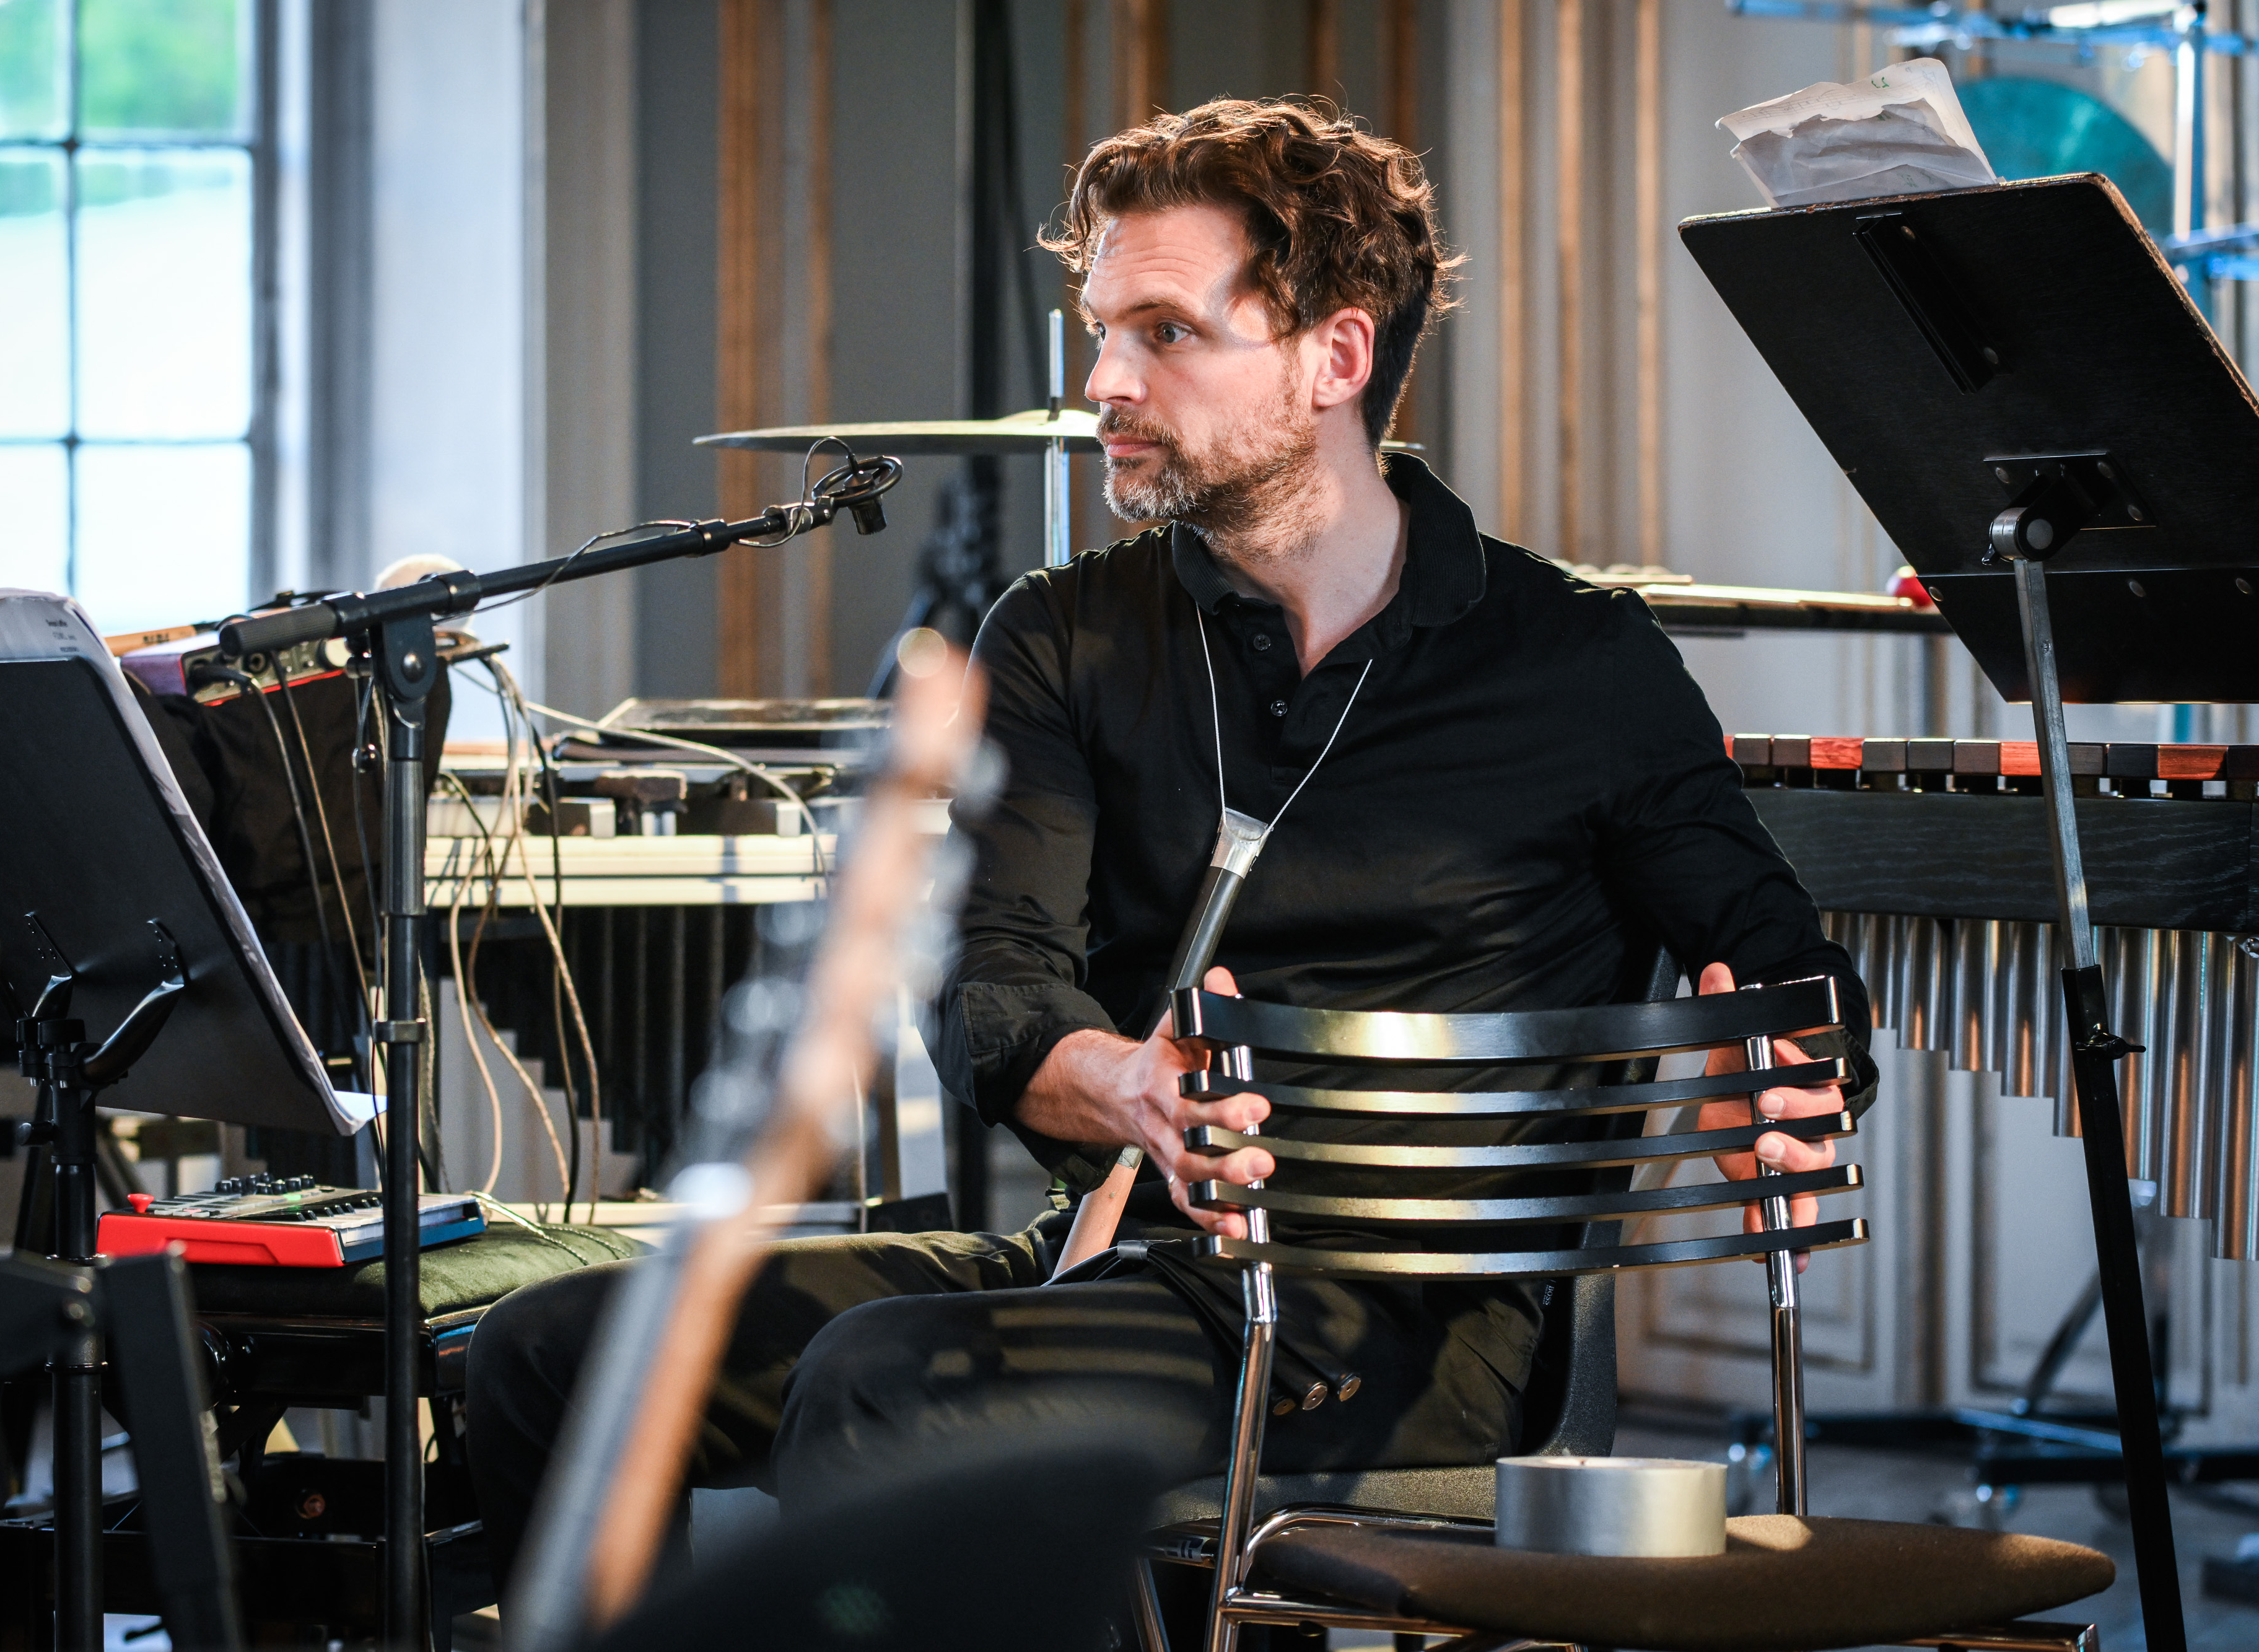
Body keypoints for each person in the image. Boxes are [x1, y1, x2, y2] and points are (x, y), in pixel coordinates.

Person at [465, 97, 1875, 1590]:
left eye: (1163, 334)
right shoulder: (1066, 633)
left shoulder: (1578, 660)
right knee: (554, 1349)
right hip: (1119, 1252)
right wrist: (1127, 1085)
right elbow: (993, 988)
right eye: (1099, 334)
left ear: (1334, 357)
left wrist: (1793, 1077)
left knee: (885, 1381)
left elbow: (1785, 971)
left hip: (1399, 1322)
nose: (1103, 382)